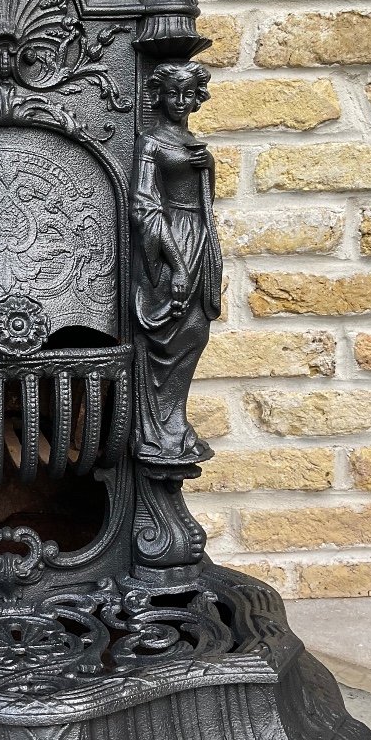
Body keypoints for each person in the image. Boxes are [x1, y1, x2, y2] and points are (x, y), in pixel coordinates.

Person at [130, 61, 222, 467]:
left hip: (198, 237)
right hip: (171, 243)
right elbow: (145, 205)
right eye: (173, 93)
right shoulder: (151, 142)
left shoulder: (191, 142)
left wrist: (209, 167)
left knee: (196, 333)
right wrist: (178, 265)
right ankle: (156, 432)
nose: (181, 102)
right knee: (167, 337)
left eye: (188, 94)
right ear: (159, 96)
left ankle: (175, 423)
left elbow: (204, 198)